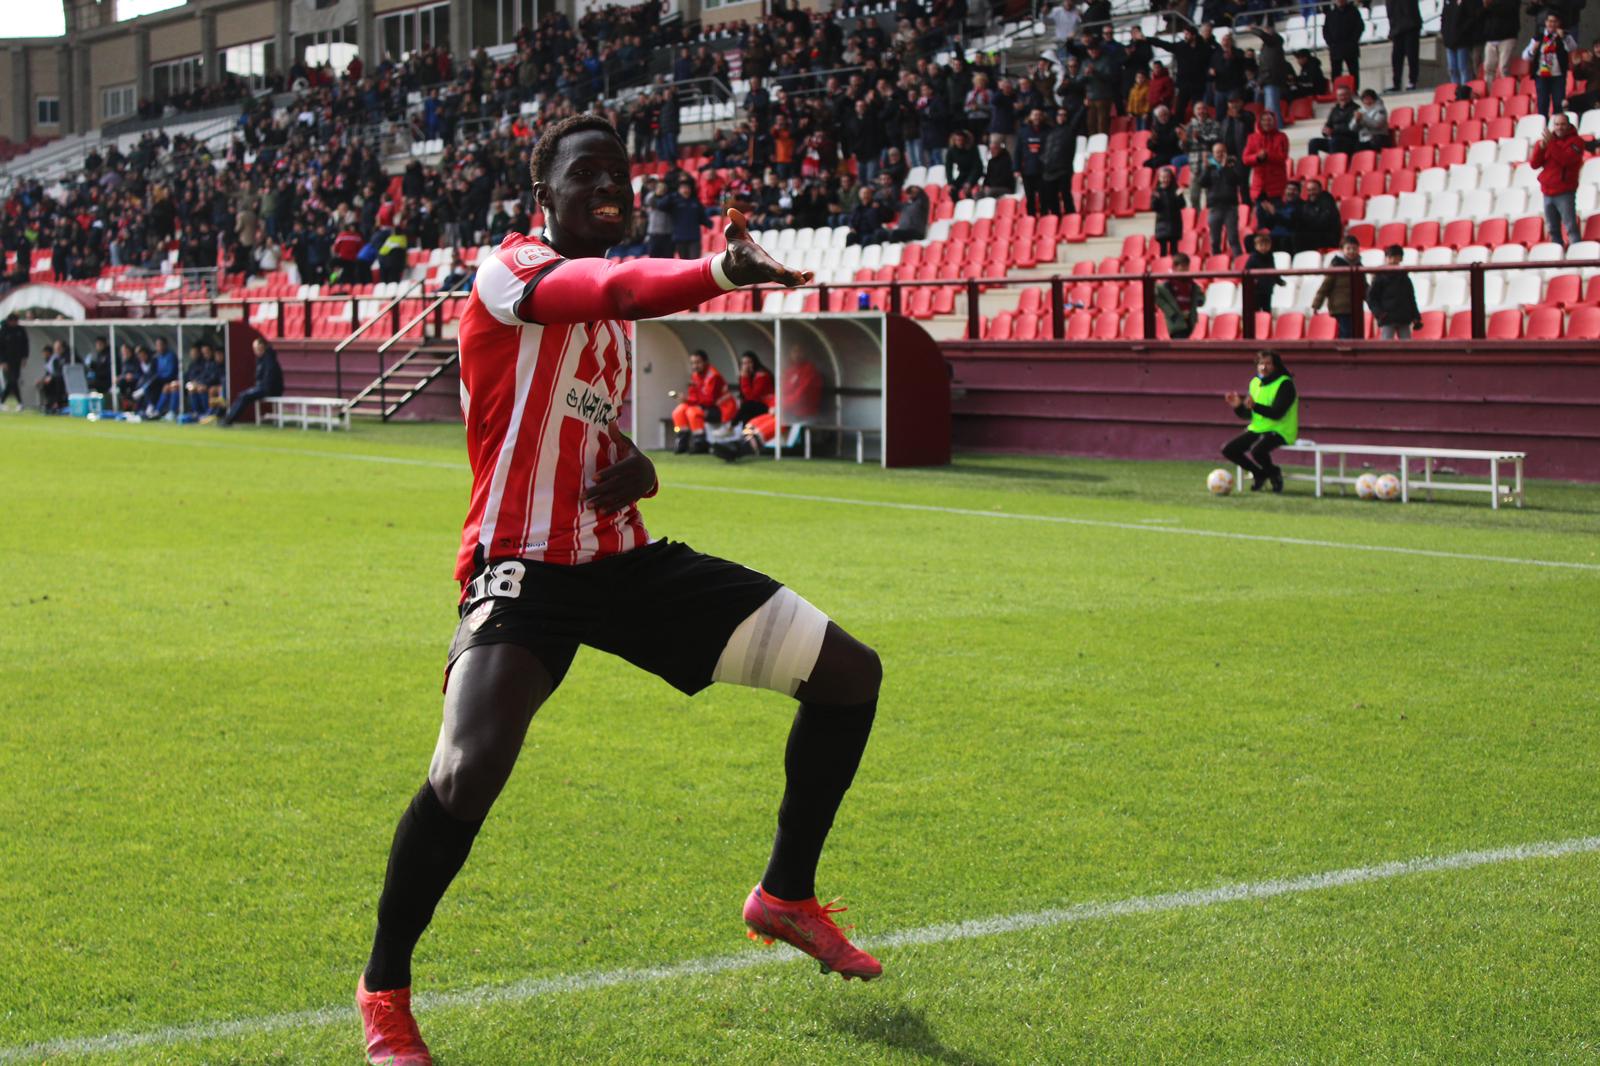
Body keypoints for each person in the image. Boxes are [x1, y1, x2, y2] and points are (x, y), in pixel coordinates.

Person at [355, 115, 884, 1066]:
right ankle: (384, 991)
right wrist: (725, 273)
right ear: (540, 198)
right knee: (466, 770)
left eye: (620, 177)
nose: (608, 187)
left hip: (623, 562)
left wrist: (638, 468)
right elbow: (616, 281)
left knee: (849, 673)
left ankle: (786, 896)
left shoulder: (606, 323)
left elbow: (592, 429)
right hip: (521, 567)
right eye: (584, 173)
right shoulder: (511, 273)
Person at [714, 349, 826, 461]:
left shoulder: (810, 372)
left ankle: (741, 449)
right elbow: (782, 393)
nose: (796, 354)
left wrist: (781, 406)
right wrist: (779, 406)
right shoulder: (790, 371)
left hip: (799, 412)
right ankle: (737, 443)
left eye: (799, 350)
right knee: (754, 423)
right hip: (783, 410)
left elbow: (801, 396)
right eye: (793, 351)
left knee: (771, 425)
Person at [1222, 350, 1299, 493]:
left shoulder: (1285, 384)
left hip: (1280, 429)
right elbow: (1248, 414)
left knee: (1257, 451)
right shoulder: (1255, 383)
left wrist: (1255, 406)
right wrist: (1238, 406)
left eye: (1268, 363)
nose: (1264, 367)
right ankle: (1259, 474)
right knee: (1229, 450)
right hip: (1258, 428)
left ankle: (1274, 473)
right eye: (1260, 364)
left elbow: (1277, 413)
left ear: (1276, 366)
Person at [1530, 112, 1588, 245]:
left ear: (1568, 126)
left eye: (1562, 124)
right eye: (1557, 124)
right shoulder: (1549, 141)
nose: (1559, 127)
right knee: (1553, 230)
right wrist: (1541, 147)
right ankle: (1557, 260)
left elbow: (1566, 160)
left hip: (1565, 192)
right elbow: (1534, 164)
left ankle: (1577, 258)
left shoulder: (1576, 142)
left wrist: (1550, 144)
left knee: (1570, 228)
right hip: (1547, 192)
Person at [670, 349, 737, 453]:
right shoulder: (695, 375)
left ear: (706, 362)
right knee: (679, 411)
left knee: (693, 412)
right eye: (693, 363)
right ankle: (681, 441)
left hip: (722, 409)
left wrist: (687, 400)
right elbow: (693, 395)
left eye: (698, 362)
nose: (695, 366)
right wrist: (686, 400)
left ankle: (700, 443)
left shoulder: (713, 376)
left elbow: (708, 400)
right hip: (706, 406)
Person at [1199, 143, 1250, 256]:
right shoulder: (1210, 167)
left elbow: (1236, 180)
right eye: (1217, 152)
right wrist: (1206, 168)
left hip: (1230, 208)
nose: (1220, 154)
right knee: (1215, 241)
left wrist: (1225, 167)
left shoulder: (1232, 164)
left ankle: (1239, 264)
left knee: (1233, 239)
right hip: (1214, 207)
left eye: (1222, 151)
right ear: (1213, 154)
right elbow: (1202, 183)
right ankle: (1216, 266)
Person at [1525, 14, 1580, 117]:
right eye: (1550, 21)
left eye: (1555, 21)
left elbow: (1573, 48)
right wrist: (1533, 50)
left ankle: (1557, 127)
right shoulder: (1538, 37)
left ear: (1559, 23)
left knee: (1559, 103)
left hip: (1558, 76)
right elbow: (1526, 56)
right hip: (1541, 76)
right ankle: (1543, 127)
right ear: (1545, 23)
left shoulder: (1564, 36)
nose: (1552, 24)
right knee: (1542, 104)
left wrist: (1563, 37)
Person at [1365, 244, 1423, 339]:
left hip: (1403, 317)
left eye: (1397, 257)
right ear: (1387, 258)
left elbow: (1411, 298)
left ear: (1401, 259)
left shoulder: (1404, 278)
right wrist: (1380, 314)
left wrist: (1415, 316)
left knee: (1406, 346)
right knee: (1386, 346)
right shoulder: (1380, 277)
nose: (1393, 260)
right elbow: (1371, 298)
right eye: (1391, 257)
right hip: (1388, 318)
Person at [1311, 234, 1364, 338]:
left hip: (1355, 306)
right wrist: (1316, 304)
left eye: (1354, 248)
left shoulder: (1359, 266)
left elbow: (1364, 287)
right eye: (1348, 248)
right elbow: (1325, 286)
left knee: (1356, 333)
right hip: (1341, 307)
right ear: (1342, 250)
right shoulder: (1336, 265)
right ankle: (1345, 352)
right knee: (1346, 332)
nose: (1352, 251)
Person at [221, 338, 283, 425]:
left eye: (255, 348)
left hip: (269, 389)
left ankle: (228, 420)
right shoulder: (262, 359)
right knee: (242, 395)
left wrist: (259, 388)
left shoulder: (269, 359)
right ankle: (228, 418)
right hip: (263, 387)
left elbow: (269, 379)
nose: (254, 351)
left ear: (261, 347)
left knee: (244, 396)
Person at [1243, 109, 1290, 206]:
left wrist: (1267, 155)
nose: (1267, 123)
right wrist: (1257, 157)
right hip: (1259, 186)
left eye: (1269, 120)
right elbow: (1245, 159)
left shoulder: (1282, 137)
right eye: (1264, 120)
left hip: (1277, 185)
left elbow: (1283, 157)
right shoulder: (1252, 137)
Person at [1040, 107, 1081, 215]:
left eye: (1064, 115)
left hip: (1064, 169)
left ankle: (1071, 217)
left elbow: (1077, 119)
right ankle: (1056, 218)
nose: (1061, 117)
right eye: (1059, 114)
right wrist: (1044, 160)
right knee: (1051, 196)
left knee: (1065, 194)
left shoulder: (1070, 130)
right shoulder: (1050, 132)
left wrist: (1084, 107)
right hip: (1049, 170)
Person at [1155, 252, 1205, 339]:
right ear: (1175, 267)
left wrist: (1199, 300)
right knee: (1179, 341)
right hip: (1176, 321)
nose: (1185, 269)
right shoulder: (1168, 284)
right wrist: (1171, 312)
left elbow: (1199, 295)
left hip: (1189, 320)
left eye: (1187, 266)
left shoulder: (1191, 283)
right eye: (1183, 266)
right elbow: (1158, 298)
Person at [1308, 84, 1361, 155]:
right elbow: (1328, 125)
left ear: (1350, 95)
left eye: (1344, 95)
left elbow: (1353, 129)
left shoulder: (1356, 109)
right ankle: (1313, 165)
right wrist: (1325, 131)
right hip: (1334, 140)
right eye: (1340, 95)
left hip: (1349, 141)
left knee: (1335, 142)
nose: (1342, 97)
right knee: (1313, 142)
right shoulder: (1335, 109)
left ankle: (1335, 164)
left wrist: (1334, 132)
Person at [1441, 0, 1484, 86]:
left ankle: (1464, 93)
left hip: (1462, 41)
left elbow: (1471, 17)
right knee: (1452, 69)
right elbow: (1444, 18)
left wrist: (1461, 32)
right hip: (1449, 42)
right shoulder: (1448, 1)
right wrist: (1445, 34)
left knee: (1463, 68)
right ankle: (1456, 92)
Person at [1323, 0, 1365, 86]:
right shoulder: (1330, 14)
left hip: (1350, 48)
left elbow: (1360, 27)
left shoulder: (1353, 11)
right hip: (1335, 49)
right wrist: (1330, 43)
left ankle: (1354, 90)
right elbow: (1326, 30)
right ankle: (1336, 90)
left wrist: (1353, 41)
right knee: (1336, 72)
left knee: (1353, 71)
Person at [1481, 0, 1522, 84]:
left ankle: (1509, 91)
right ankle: (1491, 93)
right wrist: (1485, 6)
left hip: (1507, 37)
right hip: (1491, 37)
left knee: (1504, 68)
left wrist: (1490, 4)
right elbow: (1479, 14)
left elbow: (1509, 8)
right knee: (1488, 68)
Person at [1245, 230, 1284, 313]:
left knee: (1267, 309)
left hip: (1267, 289)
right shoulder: (1253, 258)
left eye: (1266, 245)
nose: (1264, 247)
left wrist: (1279, 281)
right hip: (1256, 290)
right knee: (1256, 311)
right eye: (1261, 245)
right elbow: (1247, 271)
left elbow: (1273, 271)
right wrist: (1254, 282)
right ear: (1256, 246)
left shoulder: (1270, 257)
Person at [1388, 0, 1423, 90]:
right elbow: (1391, 14)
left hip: (1411, 28)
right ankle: (1396, 83)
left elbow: (1411, 10)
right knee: (1396, 59)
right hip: (1397, 30)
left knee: (1412, 56)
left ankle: (1412, 81)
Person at [1152, 166, 1186, 256]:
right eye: (1163, 177)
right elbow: (1154, 208)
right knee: (1163, 251)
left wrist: (1179, 196)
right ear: (1159, 178)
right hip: (1162, 224)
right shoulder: (1157, 192)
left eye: (1167, 177)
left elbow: (1182, 205)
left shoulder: (1175, 190)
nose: (1165, 180)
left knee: (1174, 250)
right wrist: (1156, 199)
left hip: (1174, 224)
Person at [735, 351, 775, 425]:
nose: (746, 366)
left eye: (749, 362)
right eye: (744, 363)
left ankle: (732, 426)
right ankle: (746, 435)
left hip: (770, 405)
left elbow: (752, 397)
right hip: (760, 405)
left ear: (755, 362)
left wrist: (744, 378)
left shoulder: (762, 375)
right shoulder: (751, 376)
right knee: (746, 413)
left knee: (747, 406)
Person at [0, 312, 26, 411]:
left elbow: (25, 344)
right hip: (6, 362)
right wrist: (2, 361)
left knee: (13, 381)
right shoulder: (4, 331)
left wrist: (24, 357)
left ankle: (3, 401)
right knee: (11, 381)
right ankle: (19, 402)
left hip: (17, 361)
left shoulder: (20, 330)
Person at [35, 340, 69, 413]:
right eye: (55, 348)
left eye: (58, 348)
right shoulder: (55, 359)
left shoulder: (67, 357)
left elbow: (61, 372)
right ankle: (50, 404)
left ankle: (56, 404)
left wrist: (51, 377)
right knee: (46, 385)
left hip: (64, 380)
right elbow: (50, 373)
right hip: (56, 379)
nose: (56, 350)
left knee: (54, 383)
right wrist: (43, 379)